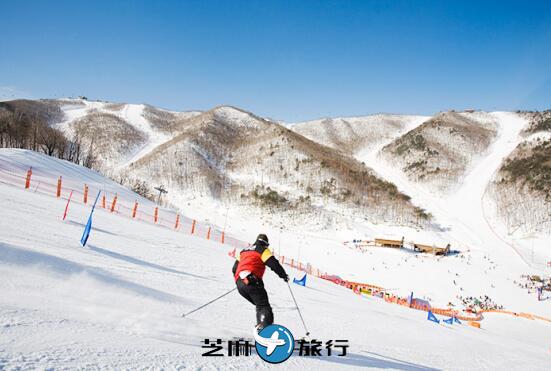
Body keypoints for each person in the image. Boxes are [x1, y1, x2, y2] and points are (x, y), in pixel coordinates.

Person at [232, 233, 289, 331]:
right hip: (251, 280)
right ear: (266, 244)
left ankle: (260, 327)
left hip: (240, 283)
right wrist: (283, 275)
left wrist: (240, 281)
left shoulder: (243, 251)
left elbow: (234, 269)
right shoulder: (263, 250)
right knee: (263, 306)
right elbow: (274, 264)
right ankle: (266, 332)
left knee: (260, 304)